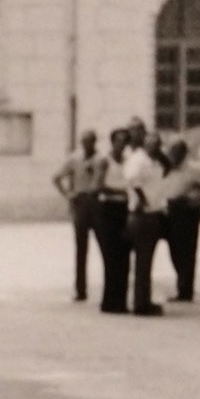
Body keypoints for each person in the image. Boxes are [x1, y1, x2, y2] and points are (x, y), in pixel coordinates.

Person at [52, 129, 107, 303]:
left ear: (95, 142)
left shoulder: (101, 160)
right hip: (81, 203)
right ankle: (80, 289)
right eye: (84, 141)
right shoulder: (74, 159)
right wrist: (68, 194)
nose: (87, 144)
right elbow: (56, 177)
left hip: (97, 202)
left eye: (90, 141)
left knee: (105, 246)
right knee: (81, 248)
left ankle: (109, 286)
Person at [159, 139, 200, 302]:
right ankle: (181, 284)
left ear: (183, 153)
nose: (172, 155)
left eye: (175, 152)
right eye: (170, 151)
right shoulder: (165, 168)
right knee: (174, 249)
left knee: (186, 251)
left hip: (186, 210)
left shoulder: (193, 169)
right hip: (169, 209)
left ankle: (185, 290)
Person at [123, 129, 167, 316]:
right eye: (150, 142)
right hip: (142, 214)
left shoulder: (154, 160)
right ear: (144, 143)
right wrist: (142, 200)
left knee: (146, 261)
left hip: (154, 212)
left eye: (157, 143)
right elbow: (133, 181)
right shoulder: (139, 160)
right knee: (143, 260)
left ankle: (143, 299)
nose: (154, 146)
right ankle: (140, 303)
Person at [93, 127, 133, 313]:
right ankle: (109, 301)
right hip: (109, 208)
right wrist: (121, 191)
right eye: (118, 140)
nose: (122, 144)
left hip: (125, 208)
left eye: (125, 140)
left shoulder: (128, 160)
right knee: (111, 255)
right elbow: (99, 186)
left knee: (124, 255)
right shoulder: (105, 161)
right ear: (112, 142)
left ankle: (121, 300)